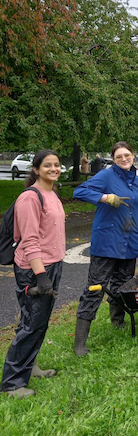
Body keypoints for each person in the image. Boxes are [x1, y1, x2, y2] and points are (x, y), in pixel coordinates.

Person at [73, 141, 138, 355]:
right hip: (106, 243)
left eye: (127, 155)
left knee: (122, 285)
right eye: (119, 156)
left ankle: (117, 324)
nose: (123, 159)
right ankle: (80, 343)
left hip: (130, 243)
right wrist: (105, 197)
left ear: (133, 155)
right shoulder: (106, 176)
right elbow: (80, 191)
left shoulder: (137, 182)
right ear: (113, 158)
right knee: (95, 288)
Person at [1, 150, 65, 399]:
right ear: (36, 170)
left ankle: (31, 366)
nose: (53, 168)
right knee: (30, 324)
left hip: (53, 264)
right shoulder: (30, 198)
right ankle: (12, 384)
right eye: (47, 165)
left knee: (40, 322)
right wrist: (40, 275)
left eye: (57, 165)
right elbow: (29, 240)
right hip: (35, 269)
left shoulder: (52, 193)